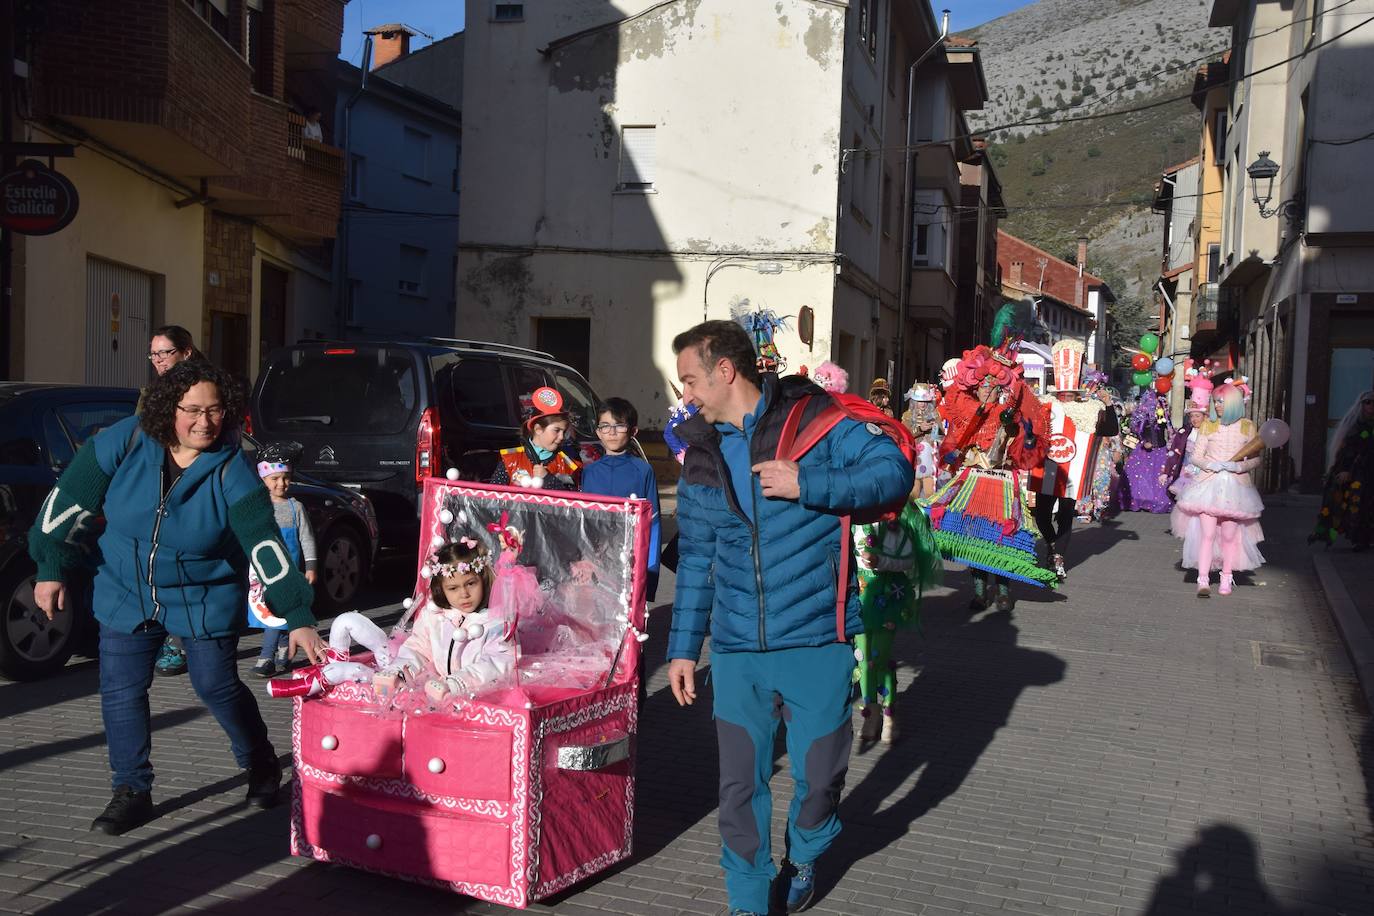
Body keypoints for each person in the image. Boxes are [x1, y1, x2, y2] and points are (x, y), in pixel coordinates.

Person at [666, 320, 913, 916]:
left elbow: (893, 472)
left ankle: (805, 852)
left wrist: (810, 483)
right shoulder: (700, 451)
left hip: (815, 641)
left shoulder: (813, 421)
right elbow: (697, 556)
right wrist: (683, 648)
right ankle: (748, 900)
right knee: (738, 788)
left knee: (821, 780)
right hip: (735, 648)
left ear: (726, 370)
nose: (686, 395)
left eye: (691, 379)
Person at [28, 360, 325, 836]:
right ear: (170, 408)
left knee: (215, 685)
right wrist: (50, 567)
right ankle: (131, 790)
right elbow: (68, 501)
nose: (204, 422)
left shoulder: (231, 469)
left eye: (214, 410)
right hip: (126, 589)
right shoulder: (123, 441)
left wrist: (297, 613)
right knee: (121, 692)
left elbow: (263, 544)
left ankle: (260, 762)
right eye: (192, 410)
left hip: (203, 594)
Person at [268, 537, 516, 701]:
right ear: (443, 590)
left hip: (476, 696)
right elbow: (418, 648)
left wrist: (456, 683)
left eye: (470, 584)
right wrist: (399, 669)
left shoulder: (494, 622)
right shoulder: (437, 616)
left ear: (482, 580)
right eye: (453, 588)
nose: (463, 594)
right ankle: (326, 670)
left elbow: (497, 663)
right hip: (435, 692)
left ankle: (321, 678)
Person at [929, 339, 1056, 611]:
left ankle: (1003, 593)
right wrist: (955, 453)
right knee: (974, 535)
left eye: (991, 384)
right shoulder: (968, 412)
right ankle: (978, 593)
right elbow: (955, 442)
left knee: (1001, 538)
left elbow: (1025, 447)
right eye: (982, 383)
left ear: (999, 387)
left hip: (1001, 482)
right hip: (974, 479)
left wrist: (1027, 436)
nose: (986, 387)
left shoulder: (1009, 414)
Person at [141, 324, 208, 678]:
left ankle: (180, 639)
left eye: (164, 352)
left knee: (189, 560)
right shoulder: (151, 394)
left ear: (186, 352)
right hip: (160, 482)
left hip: (195, 481)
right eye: (153, 354)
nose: (158, 360)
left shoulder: (205, 388)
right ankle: (165, 629)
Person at [1029, 341, 1119, 580]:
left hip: (1073, 470)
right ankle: (1050, 545)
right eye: (1062, 393)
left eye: (1069, 393)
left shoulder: (1088, 410)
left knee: (1066, 515)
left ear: (1076, 393)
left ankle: (1059, 558)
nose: (1065, 397)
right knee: (1041, 516)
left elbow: (1109, 430)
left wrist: (1108, 405)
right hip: (1047, 468)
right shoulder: (1044, 406)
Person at [1171, 383, 1266, 596]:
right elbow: (1196, 455)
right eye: (1216, 401)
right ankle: (1202, 580)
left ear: (1233, 403)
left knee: (1229, 536)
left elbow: (1256, 458)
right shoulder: (1209, 425)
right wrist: (1209, 465)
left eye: (1221, 401)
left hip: (1236, 488)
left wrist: (1238, 466)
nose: (1218, 405)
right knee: (1208, 534)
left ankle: (1227, 577)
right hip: (1208, 485)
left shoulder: (1247, 426)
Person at [580, 397, 662, 600]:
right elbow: (582, 520)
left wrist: (649, 573)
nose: (612, 432)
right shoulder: (589, 471)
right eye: (605, 426)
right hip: (596, 559)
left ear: (633, 431)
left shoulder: (643, 470)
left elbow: (653, 522)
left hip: (630, 558)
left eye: (619, 426)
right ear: (598, 432)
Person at [248, 450, 318, 678]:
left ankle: (271, 656)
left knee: (282, 611)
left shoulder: (295, 507)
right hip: (264, 572)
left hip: (289, 572)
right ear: (263, 479)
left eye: (286, 478)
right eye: (275, 479)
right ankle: (277, 652)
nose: (281, 483)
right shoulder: (258, 507)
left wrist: (310, 566)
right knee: (271, 613)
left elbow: (306, 538)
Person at [1312, 390, 1374, 550]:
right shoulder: (1355, 427)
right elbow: (1347, 452)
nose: (1371, 406)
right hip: (1358, 473)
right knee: (1356, 502)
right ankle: (1360, 538)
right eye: (1368, 402)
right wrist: (1346, 470)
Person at [490, 386, 581, 490]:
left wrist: (547, 478)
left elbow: (571, 501)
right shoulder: (510, 459)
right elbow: (493, 497)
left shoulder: (567, 464)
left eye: (564, 432)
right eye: (556, 430)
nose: (561, 437)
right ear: (538, 429)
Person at [1121, 386, 1175, 512]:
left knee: (1156, 477)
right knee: (1141, 477)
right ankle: (1139, 500)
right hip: (1144, 450)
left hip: (1160, 449)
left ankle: (1154, 501)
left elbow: (1166, 429)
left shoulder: (1164, 414)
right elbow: (1139, 428)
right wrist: (1145, 440)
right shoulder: (1143, 413)